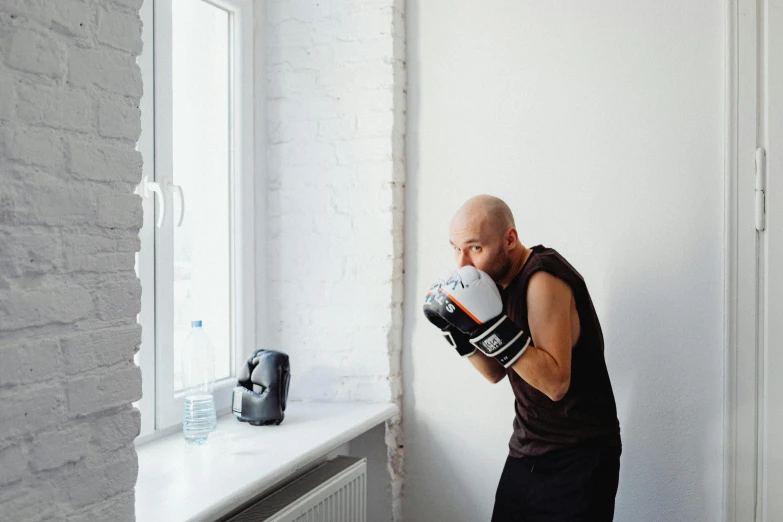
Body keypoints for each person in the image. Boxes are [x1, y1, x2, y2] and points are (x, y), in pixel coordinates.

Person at [423, 195, 622, 521]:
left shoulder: (543, 278)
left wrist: (488, 330)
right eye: (455, 248)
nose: (463, 265)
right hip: (526, 451)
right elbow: (495, 372)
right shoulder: (493, 285)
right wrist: (458, 334)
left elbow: (556, 383)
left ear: (510, 239)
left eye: (474, 248)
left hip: (580, 458)